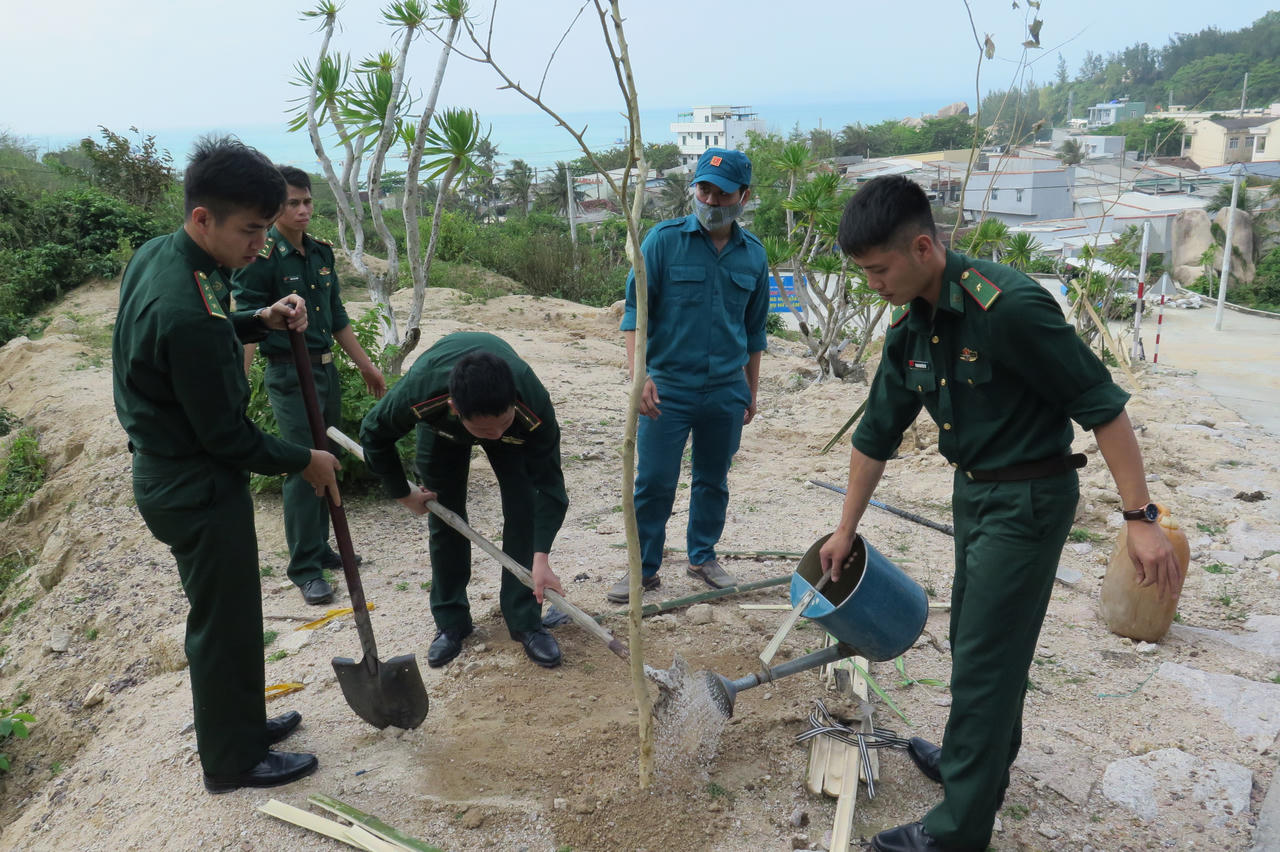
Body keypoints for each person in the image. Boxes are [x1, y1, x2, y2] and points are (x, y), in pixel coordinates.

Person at [818, 175, 1180, 852]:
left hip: (1030, 498)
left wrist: (1140, 517)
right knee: (980, 642)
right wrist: (845, 530)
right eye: (864, 272)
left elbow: (1101, 406)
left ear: (923, 247)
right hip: (975, 492)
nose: (873, 284)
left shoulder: (1009, 307)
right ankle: (975, 765)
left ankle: (958, 830)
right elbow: (875, 434)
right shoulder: (910, 323)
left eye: (879, 269)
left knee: (986, 656)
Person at [112, 137, 343, 793]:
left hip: (181, 469)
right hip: (194, 481)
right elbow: (228, 437)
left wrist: (258, 319)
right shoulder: (181, 308)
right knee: (223, 625)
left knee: (236, 615)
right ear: (202, 217)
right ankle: (232, 761)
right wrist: (305, 459)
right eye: (250, 230)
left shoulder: (164, 255)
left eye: (267, 228)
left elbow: (212, 325)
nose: (260, 245)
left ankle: (243, 725)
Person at [611, 147, 769, 604]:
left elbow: (754, 331)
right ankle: (643, 569)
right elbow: (634, 315)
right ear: (694, 189)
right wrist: (639, 377)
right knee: (654, 482)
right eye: (704, 190)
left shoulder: (753, 256)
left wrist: (750, 390)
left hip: (726, 390)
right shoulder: (662, 242)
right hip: (667, 389)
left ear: (743, 196)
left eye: (723, 194)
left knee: (713, 480)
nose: (712, 201)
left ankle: (703, 556)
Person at [359, 332, 567, 668]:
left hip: (514, 433)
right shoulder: (422, 391)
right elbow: (373, 433)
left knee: (524, 511)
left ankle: (525, 621)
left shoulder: (531, 403)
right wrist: (403, 493)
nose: (495, 436)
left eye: (502, 424)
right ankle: (451, 621)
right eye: (486, 431)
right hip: (442, 429)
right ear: (456, 409)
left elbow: (550, 486)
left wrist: (541, 556)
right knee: (445, 516)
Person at [233, 165, 386, 606]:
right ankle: (304, 568)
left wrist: (366, 366)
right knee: (304, 463)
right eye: (292, 203)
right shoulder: (263, 257)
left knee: (328, 457)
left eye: (307, 201)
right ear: (275, 208)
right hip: (288, 373)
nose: (302, 210)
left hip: (325, 369)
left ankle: (319, 546)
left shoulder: (320, 253)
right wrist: (240, 382)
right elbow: (247, 320)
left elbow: (336, 316)